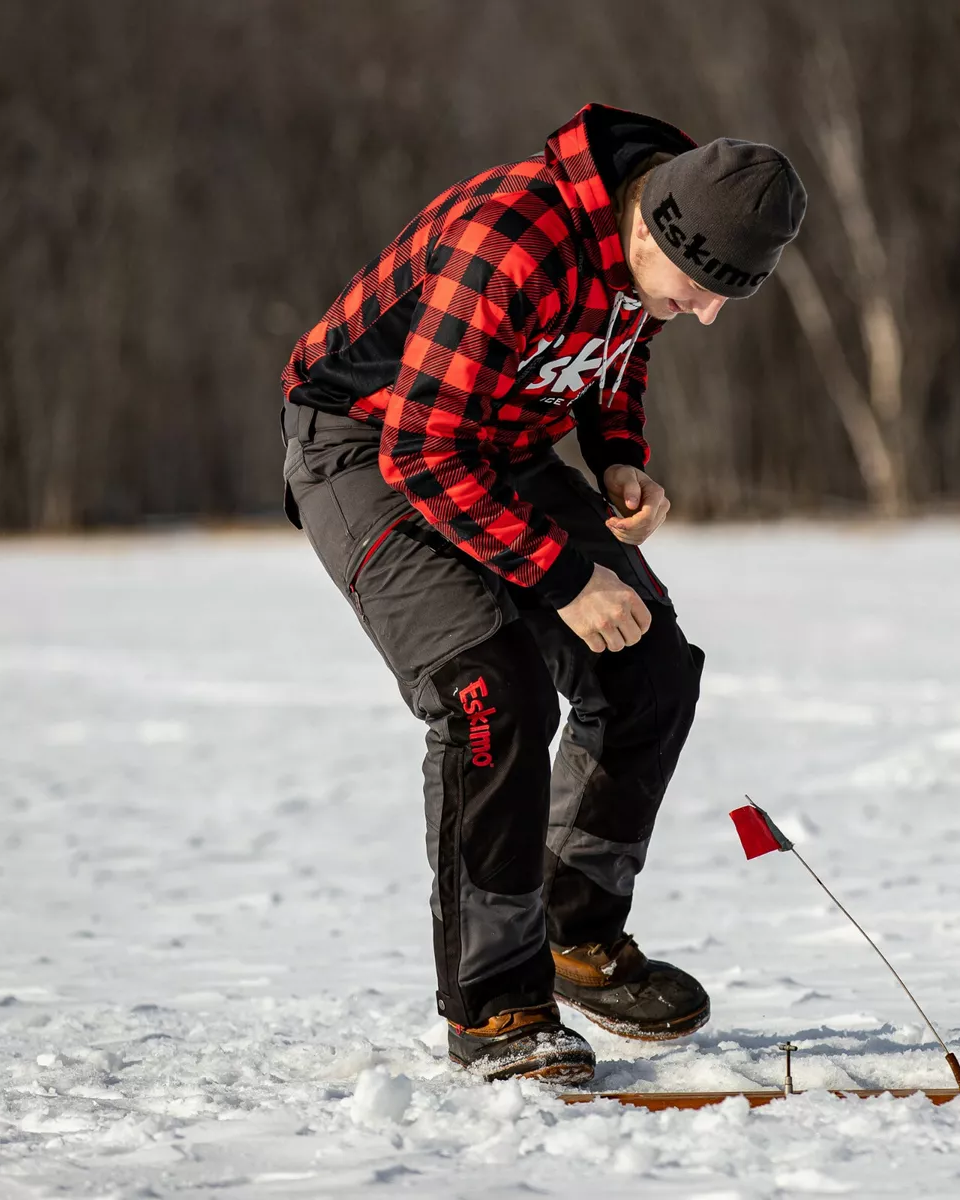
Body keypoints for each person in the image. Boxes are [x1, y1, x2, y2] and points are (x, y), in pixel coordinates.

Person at [280, 103, 805, 1083]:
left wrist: (616, 458)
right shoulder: (510, 240)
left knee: (650, 670)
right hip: (366, 446)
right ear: (648, 228)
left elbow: (619, 343)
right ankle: (496, 1006)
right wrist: (564, 577)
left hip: (499, 447)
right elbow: (423, 451)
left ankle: (575, 932)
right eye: (702, 290)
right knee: (492, 695)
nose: (708, 314)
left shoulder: (649, 233)